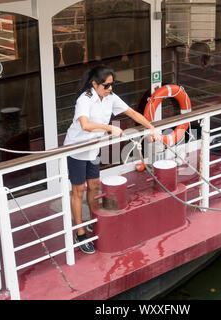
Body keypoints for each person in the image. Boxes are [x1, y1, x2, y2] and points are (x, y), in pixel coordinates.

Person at [64, 64, 162, 254]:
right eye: (106, 86)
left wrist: (151, 127)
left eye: (112, 85)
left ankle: (94, 221)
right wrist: (110, 128)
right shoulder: (85, 99)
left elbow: (131, 113)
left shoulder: (110, 97)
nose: (110, 89)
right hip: (77, 149)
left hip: (93, 149)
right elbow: (85, 124)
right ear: (95, 84)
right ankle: (80, 232)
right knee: (78, 191)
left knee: (93, 186)